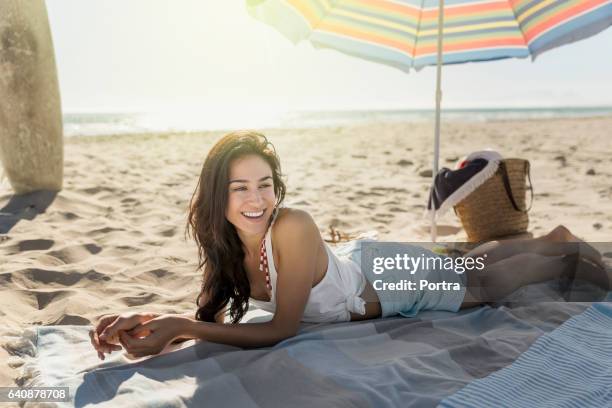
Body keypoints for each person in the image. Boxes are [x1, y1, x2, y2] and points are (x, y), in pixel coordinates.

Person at [89, 130, 610, 359]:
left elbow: (282, 328)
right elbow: (214, 320)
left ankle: (563, 249)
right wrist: (155, 322)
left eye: (264, 184)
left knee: (485, 285)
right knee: (465, 267)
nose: (256, 200)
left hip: (385, 281)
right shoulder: (226, 242)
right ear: (216, 194)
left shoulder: (291, 226)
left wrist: (180, 327)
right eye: (240, 187)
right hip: (361, 268)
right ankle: (546, 240)